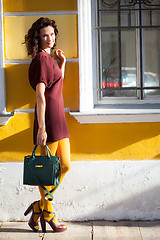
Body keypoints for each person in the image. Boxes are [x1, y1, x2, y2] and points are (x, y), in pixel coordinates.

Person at [23, 17, 71, 233]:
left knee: (65, 165)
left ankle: (38, 207)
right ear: (38, 38)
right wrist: (41, 128)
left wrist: (62, 64)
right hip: (48, 120)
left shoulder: (50, 59)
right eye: (45, 35)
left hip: (59, 118)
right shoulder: (41, 60)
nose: (50, 38)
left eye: (52, 34)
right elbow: (40, 96)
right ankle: (48, 212)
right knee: (47, 172)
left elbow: (57, 85)